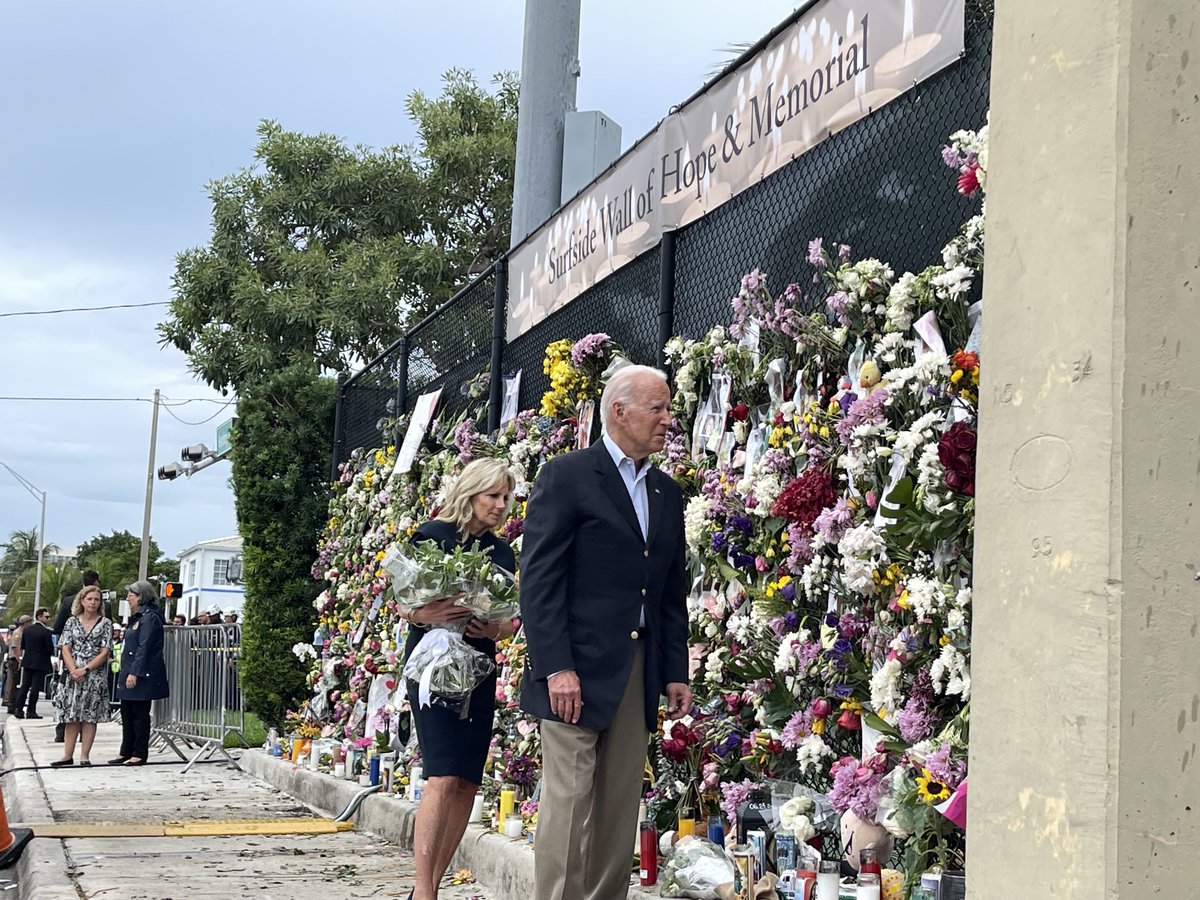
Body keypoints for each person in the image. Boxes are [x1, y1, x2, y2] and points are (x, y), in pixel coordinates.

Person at [520, 364, 692, 900]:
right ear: (619, 411)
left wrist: (674, 672)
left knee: (618, 812)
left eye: (670, 408)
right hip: (573, 669)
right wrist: (556, 666)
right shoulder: (568, 475)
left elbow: (668, 592)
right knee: (569, 807)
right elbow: (540, 581)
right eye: (658, 408)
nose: (669, 419)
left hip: (637, 670)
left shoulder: (666, 493)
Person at [403, 457, 517, 900]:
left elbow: (509, 621)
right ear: (470, 494)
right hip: (433, 667)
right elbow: (404, 602)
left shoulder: (503, 551)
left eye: (506, 497)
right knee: (443, 775)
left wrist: (497, 628)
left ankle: (430, 885)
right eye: (493, 496)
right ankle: (423, 890)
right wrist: (423, 613)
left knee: (468, 778)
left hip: (479, 666)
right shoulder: (433, 535)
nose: (502, 505)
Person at [50, 585, 113, 766]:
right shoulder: (71, 622)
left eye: (96, 599)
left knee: (89, 715)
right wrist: (73, 670)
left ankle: (84, 755)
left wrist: (85, 669)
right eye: (89, 599)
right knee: (72, 715)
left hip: (93, 674)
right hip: (73, 673)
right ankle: (67, 755)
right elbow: (65, 647)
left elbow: (104, 651)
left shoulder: (105, 623)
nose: (93, 603)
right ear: (82, 601)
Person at [111, 581, 169, 765]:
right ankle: (126, 750)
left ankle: (139, 751)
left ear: (141, 596)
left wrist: (135, 672)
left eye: (131, 595)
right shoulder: (138, 617)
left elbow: (145, 646)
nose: (128, 598)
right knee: (127, 711)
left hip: (141, 673)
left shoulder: (150, 617)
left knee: (139, 714)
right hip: (129, 668)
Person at [53, 570, 101, 742]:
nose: (93, 602)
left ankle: (62, 731)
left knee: (69, 696)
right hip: (76, 658)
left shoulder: (67, 600)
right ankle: (68, 732)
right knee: (69, 695)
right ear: (95, 582)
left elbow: (56, 628)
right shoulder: (72, 604)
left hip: (77, 660)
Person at [15, 607, 55, 719]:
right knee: (35, 687)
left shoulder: (27, 630)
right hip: (40, 663)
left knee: (25, 685)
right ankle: (31, 711)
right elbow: (49, 648)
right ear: (39, 617)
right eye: (46, 616)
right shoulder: (46, 632)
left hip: (28, 661)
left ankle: (18, 709)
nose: (48, 619)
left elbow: (23, 646)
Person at [5, 614, 31, 713]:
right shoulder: (17, 633)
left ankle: (15, 703)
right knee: (13, 683)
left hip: (17, 659)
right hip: (14, 660)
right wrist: (20, 660)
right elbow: (15, 648)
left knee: (17, 683)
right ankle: (11, 704)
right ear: (26, 623)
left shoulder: (22, 632)